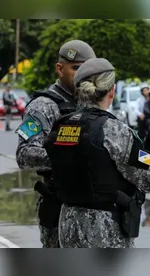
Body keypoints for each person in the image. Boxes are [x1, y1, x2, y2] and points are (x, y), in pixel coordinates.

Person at [43, 58, 150, 248]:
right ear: (112, 91)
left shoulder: (62, 124)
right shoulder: (115, 130)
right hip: (105, 231)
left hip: (68, 225)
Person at [15, 40, 96, 248]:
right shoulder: (43, 107)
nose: (82, 75)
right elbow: (24, 154)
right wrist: (69, 156)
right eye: (76, 68)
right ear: (60, 69)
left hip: (91, 208)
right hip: (58, 205)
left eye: (87, 69)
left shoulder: (91, 103)